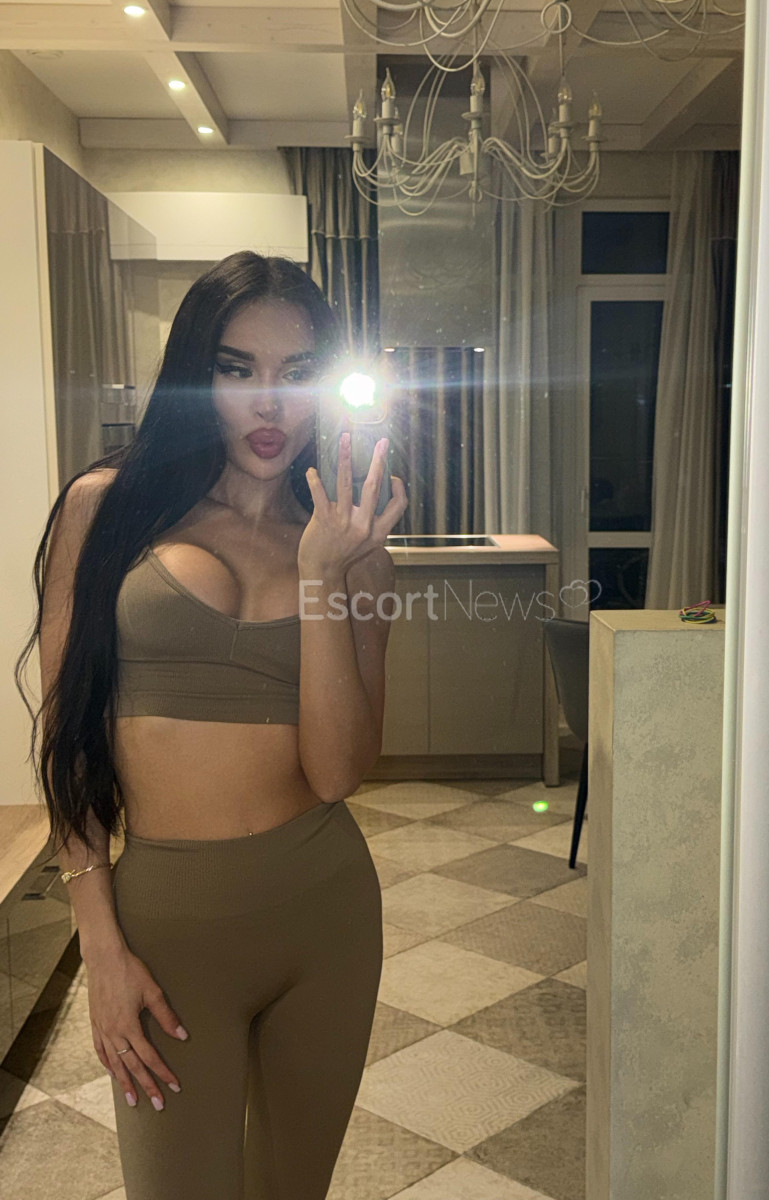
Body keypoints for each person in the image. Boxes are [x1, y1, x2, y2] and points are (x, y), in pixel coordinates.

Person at [16, 250, 408, 1199]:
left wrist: (322, 573)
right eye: (238, 370)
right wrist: (99, 945)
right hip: (167, 928)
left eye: (297, 373)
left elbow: (337, 773)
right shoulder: (104, 510)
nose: (269, 404)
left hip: (324, 914)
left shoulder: (355, 558)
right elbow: (67, 740)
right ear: (199, 375)